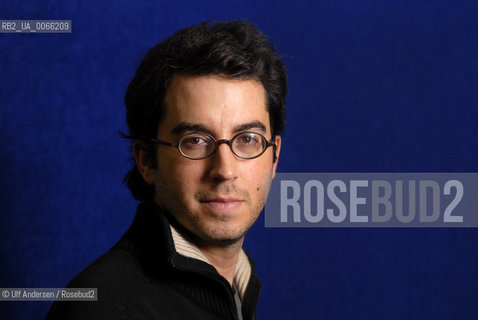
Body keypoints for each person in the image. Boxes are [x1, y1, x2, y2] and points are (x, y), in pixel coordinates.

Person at [46, 20, 287, 320]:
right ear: (147, 160)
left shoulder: (238, 286)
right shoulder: (103, 310)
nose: (225, 170)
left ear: (274, 156)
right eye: (196, 141)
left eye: (247, 139)